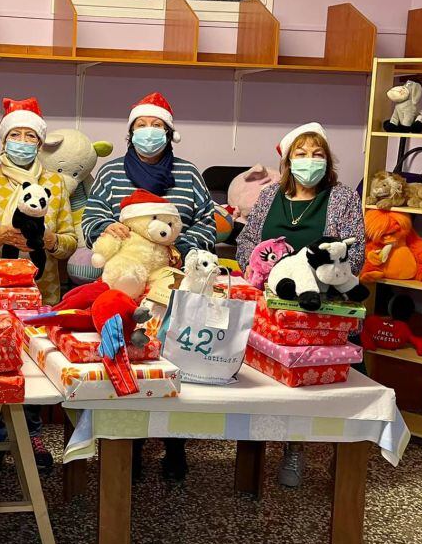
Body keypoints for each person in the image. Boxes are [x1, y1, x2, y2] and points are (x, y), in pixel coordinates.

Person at [81, 91, 217, 481]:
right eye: (141, 126)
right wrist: (106, 229)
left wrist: (183, 249)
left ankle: (176, 445)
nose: (149, 133)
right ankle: (132, 447)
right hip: (127, 283)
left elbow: (209, 221)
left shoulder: (189, 174)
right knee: (135, 356)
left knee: (177, 359)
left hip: (176, 283)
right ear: (130, 133)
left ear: (170, 133)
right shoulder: (109, 174)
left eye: (157, 126)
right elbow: (92, 221)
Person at [236, 121, 366, 489]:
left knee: (303, 380)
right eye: (302, 154)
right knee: (262, 375)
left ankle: (295, 447)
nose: (310, 161)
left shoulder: (342, 199)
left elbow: (354, 255)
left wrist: (315, 276)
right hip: (270, 299)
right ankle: (253, 444)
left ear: (328, 160)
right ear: (288, 161)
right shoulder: (268, 197)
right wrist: (269, 268)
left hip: (318, 306)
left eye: (317, 154)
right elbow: (247, 242)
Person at [0, 97, 76, 472]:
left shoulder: (55, 184)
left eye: (30, 135)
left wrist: (50, 241)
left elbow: (72, 243)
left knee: (35, 367)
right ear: (3, 140)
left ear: (40, 143)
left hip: (43, 292)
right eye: (15, 134)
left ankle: (32, 434)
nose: (22, 141)